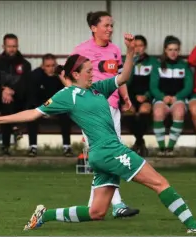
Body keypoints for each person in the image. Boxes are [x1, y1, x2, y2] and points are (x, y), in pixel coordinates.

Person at [0, 34, 196, 234]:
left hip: (101, 156)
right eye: (89, 71)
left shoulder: (97, 89)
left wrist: (130, 53)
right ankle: (193, 225)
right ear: (75, 73)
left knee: (97, 212)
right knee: (160, 183)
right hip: (111, 151)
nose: (93, 74)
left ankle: (44, 215)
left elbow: (122, 78)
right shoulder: (67, 95)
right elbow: (33, 113)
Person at [71, 11, 139, 218]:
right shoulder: (81, 50)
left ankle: (96, 205)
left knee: (110, 153)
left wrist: (125, 96)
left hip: (113, 106)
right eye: (106, 25)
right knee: (109, 153)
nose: (110, 29)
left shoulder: (115, 50)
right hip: (92, 108)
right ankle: (116, 204)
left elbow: (118, 77)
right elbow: (68, 76)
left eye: (111, 25)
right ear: (93, 27)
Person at [149, 35, 193, 157]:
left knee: (179, 112)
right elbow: (153, 87)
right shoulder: (158, 66)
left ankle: (170, 148)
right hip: (161, 99)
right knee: (158, 113)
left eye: (176, 50)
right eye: (170, 49)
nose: (173, 52)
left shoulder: (184, 65)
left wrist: (177, 97)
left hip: (178, 99)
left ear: (179, 50)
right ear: (165, 50)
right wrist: (162, 97)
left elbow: (189, 86)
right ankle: (162, 148)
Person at [0, 33, 32, 156]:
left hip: (20, 100)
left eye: (14, 46)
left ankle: (6, 146)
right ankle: (13, 129)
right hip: (1, 100)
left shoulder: (25, 65)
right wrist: (4, 90)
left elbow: (26, 84)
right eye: (9, 46)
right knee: (6, 105)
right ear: (3, 46)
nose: (12, 49)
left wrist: (12, 91)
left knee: (9, 105)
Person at [27, 54, 73, 157]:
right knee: (32, 115)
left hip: (57, 106)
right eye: (48, 66)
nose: (51, 68)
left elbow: (66, 94)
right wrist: (43, 109)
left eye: (53, 65)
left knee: (66, 114)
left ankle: (67, 147)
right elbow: (32, 96)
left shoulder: (61, 76)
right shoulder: (36, 76)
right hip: (40, 105)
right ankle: (33, 147)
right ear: (42, 66)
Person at [122, 35, 157, 156]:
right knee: (128, 110)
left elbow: (155, 83)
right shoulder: (126, 60)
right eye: (135, 46)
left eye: (140, 46)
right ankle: (140, 141)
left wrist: (146, 96)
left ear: (145, 47)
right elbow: (125, 82)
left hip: (146, 96)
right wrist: (131, 62)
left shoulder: (152, 62)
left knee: (144, 110)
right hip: (129, 96)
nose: (137, 48)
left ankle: (138, 143)